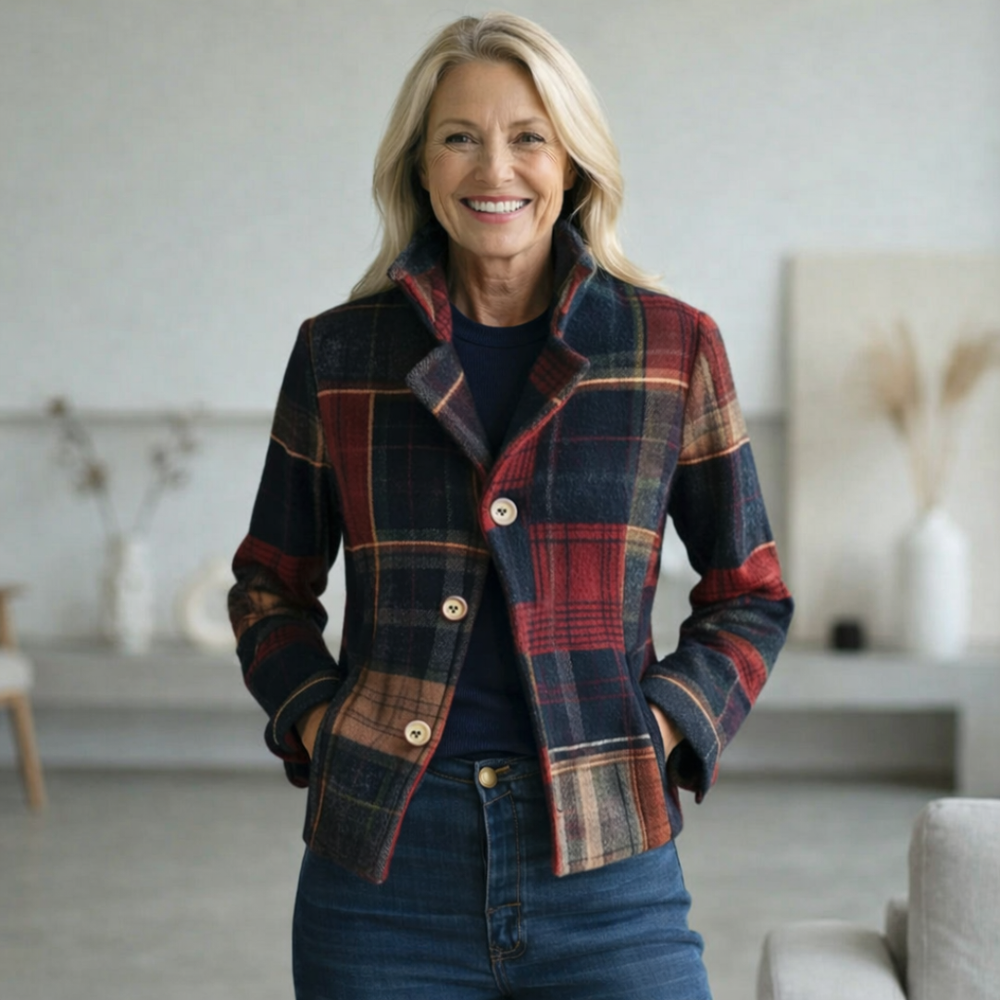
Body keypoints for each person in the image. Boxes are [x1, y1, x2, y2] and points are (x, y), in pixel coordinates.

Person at [229, 11, 793, 1000]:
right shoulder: (339, 354)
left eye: (529, 136)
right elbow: (268, 586)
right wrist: (318, 722)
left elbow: (749, 592)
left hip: (609, 858)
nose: (495, 168)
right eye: (460, 137)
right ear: (420, 166)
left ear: (572, 162)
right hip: (383, 870)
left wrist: (661, 728)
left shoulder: (672, 349)